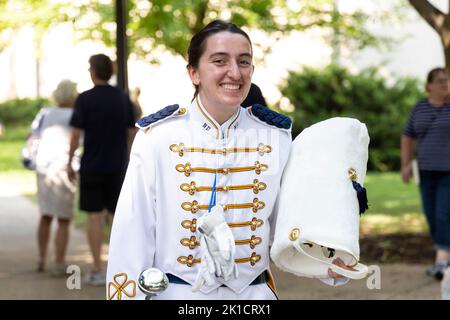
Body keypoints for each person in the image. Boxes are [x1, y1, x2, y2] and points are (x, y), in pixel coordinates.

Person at [106, 20, 351, 300]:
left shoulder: (276, 137)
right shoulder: (157, 137)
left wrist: (329, 261)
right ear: (194, 73)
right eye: (220, 61)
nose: (234, 72)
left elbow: (289, 223)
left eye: (244, 62)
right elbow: (132, 232)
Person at [67, 54, 136, 286]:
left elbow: (75, 135)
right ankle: (120, 268)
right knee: (117, 217)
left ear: (93, 71)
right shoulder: (121, 97)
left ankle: (97, 268)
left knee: (94, 217)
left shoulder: (85, 99)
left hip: (92, 165)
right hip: (118, 165)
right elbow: (132, 131)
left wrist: (69, 161)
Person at [401, 67, 450, 280]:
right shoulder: (419, 107)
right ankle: (445, 255)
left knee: (443, 213)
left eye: (447, 80)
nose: (445, 84)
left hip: (448, 171)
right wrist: (405, 164)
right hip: (426, 170)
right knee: (431, 215)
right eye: (440, 81)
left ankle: (442, 261)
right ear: (429, 86)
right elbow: (407, 135)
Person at [34, 79, 79, 276]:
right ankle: (59, 263)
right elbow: (78, 140)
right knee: (63, 219)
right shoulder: (75, 115)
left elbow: (32, 137)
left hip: (43, 168)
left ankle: (41, 258)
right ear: (71, 95)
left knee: (45, 215)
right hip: (63, 169)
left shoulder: (46, 113)